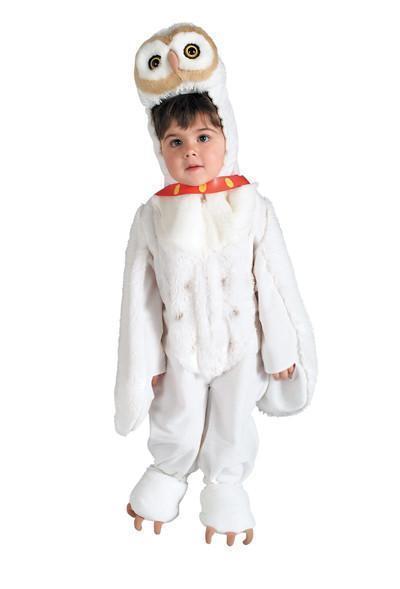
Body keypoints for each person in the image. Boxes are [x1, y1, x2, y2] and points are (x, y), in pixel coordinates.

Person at [114, 23, 317, 546]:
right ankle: (165, 477)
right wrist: (146, 363)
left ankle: (226, 489)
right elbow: (141, 298)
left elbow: (273, 279)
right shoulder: (152, 216)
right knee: (176, 416)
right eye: (176, 142)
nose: (192, 152)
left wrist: (281, 347)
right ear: (160, 149)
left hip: (242, 344)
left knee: (232, 421)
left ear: (226, 135)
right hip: (180, 349)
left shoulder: (252, 206)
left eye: (204, 137)